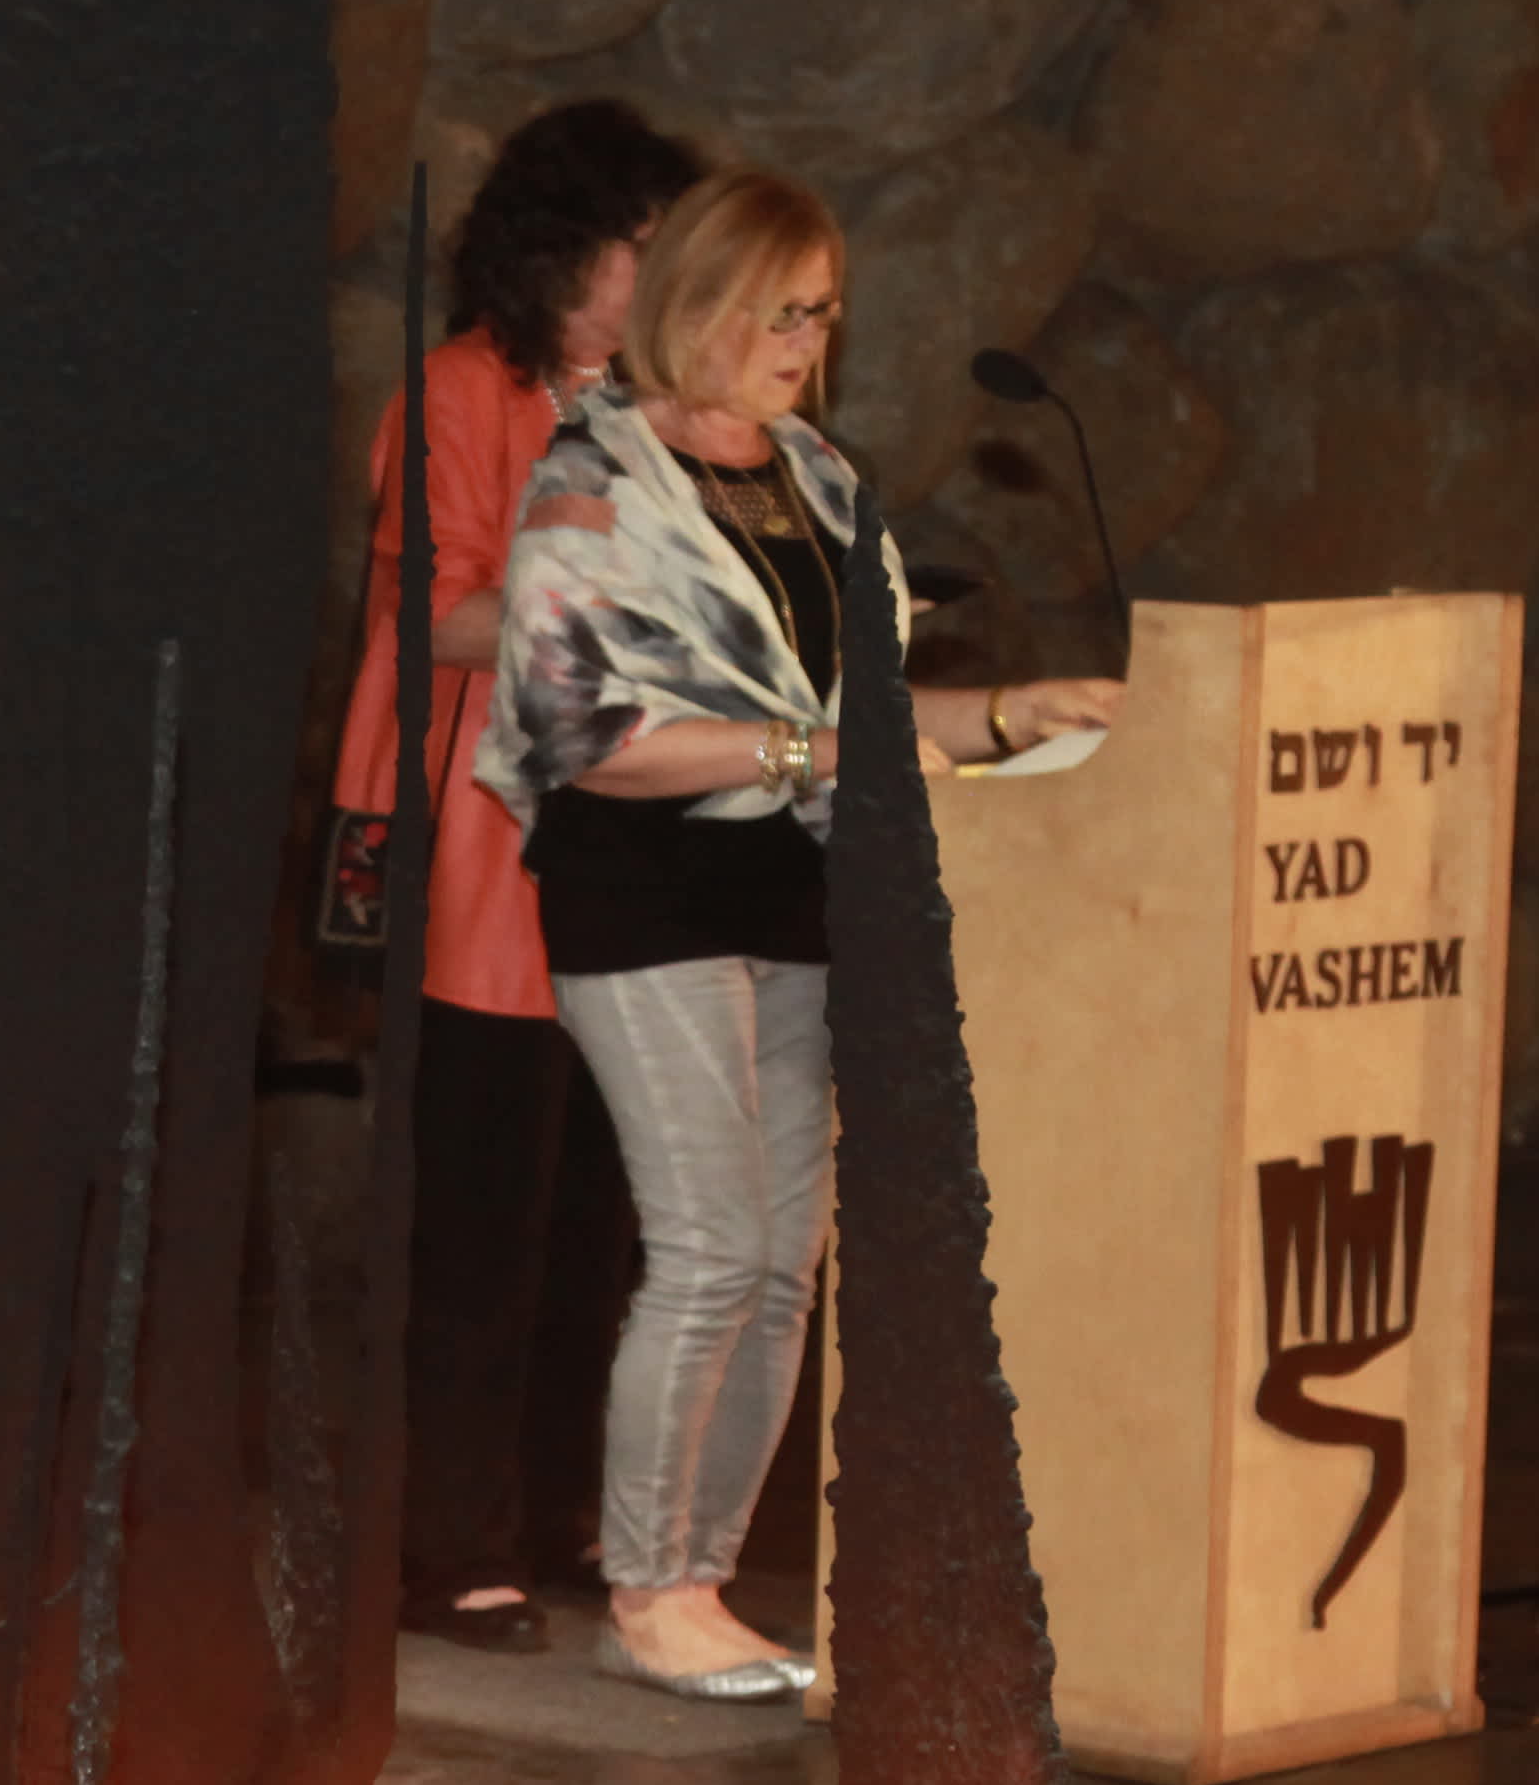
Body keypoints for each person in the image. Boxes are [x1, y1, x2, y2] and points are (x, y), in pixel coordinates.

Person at [482, 167, 1117, 1701]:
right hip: (644, 903)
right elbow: (590, 734)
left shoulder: (823, 478)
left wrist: (1020, 711)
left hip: (803, 900)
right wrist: (798, 755)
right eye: (779, 308)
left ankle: (699, 1577)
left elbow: (872, 723)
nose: (803, 338)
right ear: (695, 304)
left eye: (821, 310)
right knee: (708, 1249)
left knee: (784, 1263)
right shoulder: (592, 480)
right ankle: (646, 1592)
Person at [324, 98, 697, 1652]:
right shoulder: (463, 395)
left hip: (627, 848)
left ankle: (555, 1518)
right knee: (481, 1215)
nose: (669, 279)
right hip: (486, 845)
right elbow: (444, 614)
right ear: (565, 251)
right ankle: (445, 1541)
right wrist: (614, 590)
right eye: (645, 248)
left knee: (605, 1224)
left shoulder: (680, 409)